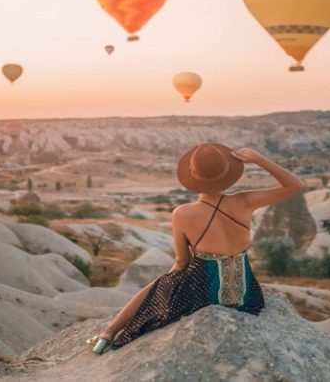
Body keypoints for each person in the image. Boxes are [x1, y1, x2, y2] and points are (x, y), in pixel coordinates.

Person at [87, 143, 305, 354]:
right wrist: (259, 160)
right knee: (164, 284)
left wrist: (167, 283)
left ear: (192, 176)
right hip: (247, 295)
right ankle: (109, 331)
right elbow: (295, 185)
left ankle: (109, 332)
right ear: (228, 174)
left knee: (158, 286)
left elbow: (182, 262)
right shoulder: (245, 200)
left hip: (204, 295)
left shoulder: (182, 213)